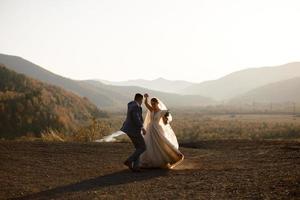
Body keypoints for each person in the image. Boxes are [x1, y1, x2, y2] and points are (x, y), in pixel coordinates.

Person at [139, 93, 184, 169]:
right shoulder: (151, 110)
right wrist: (146, 97)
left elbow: (165, 122)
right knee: (149, 144)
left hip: (157, 129)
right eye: (152, 104)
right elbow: (146, 104)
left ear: (157, 103)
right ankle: (150, 161)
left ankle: (170, 158)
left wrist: (166, 118)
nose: (153, 105)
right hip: (150, 129)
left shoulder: (162, 112)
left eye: (154, 104)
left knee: (162, 143)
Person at [121, 93, 147, 172]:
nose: (142, 102)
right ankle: (129, 161)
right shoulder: (136, 106)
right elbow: (136, 117)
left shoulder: (130, 104)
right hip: (134, 130)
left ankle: (136, 167)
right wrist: (142, 127)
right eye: (142, 100)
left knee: (138, 148)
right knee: (143, 147)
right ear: (140, 99)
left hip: (128, 129)